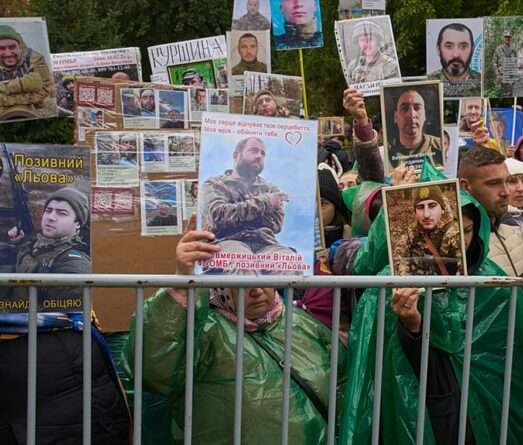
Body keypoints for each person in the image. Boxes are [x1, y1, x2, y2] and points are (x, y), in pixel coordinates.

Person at [339, 187, 523, 444]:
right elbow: (384, 363)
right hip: (431, 403)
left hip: (487, 410)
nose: (460, 239)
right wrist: (411, 324)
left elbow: (519, 353)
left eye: (467, 230)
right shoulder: (390, 282)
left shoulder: (491, 279)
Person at [124, 221, 345, 444]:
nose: (256, 290)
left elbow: (343, 384)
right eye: (242, 280)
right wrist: (183, 283)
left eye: (264, 274)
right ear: (219, 285)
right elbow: (155, 368)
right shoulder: (202, 330)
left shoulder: (302, 323)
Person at [1, 187, 130, 444]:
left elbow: (58, 302)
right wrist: (19, 244)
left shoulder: (75, 262)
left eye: (61, 213)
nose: (50, 217)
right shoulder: (36, 246)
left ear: (77, 224)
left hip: (56, 360)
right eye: (48, 210)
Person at [201, 136, 291, 260]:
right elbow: (219, 216)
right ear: (236, 155)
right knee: (241, 261)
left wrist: (237, 212)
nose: (259, 156)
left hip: (266, 244)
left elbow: (276, 225)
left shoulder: (270, 189)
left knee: (287, 260)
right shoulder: (215, 184)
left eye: (263, 153)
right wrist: (265, 202)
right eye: (253, 151)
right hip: (227, 242)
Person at [459, 147, 523, 277]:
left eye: (507, 181)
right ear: (465, 187)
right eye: (494, 183)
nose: (506, 192)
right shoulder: (459, 244)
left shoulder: (518, 230)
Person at [393, 184, 462, 275]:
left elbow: (465, 269)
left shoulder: (455, 233)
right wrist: (405, 279)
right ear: (415, 212)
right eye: (420, 207)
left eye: (432, 206)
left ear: (442, 209)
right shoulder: (412, 232)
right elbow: (398, 259)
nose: (426, 215)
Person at [0, 24, 55, 119]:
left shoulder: (35, 58)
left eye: (12, 47)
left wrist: (4, 89)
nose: (8, 53)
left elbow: (45, 88)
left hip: (32, 108)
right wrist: (24, 84)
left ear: (20, 46)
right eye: (1, 48)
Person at [386, 87, 443, 170]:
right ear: (395, 117)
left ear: (425, 115)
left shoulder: (441, 146)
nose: (412, 115)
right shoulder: (385, 153)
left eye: (417, 108)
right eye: (405, 108)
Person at [429, 23, 481, 97]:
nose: (456, 55)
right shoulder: (428, 83)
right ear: (438, 49)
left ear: (472, 49)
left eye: (463, 47)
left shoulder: (483, 83)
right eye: (449, 46)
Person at [345, 20, 400, 84]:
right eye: (362, 40)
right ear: (358, 43)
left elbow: (394, 89)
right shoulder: (352, 66)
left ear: (378, 41)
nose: (366, 44)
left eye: (370, 39)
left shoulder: (390, 65)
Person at [492, 30, 517, 95]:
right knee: (499, 94)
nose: (507, 38)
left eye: (509, 37)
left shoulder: (513, 49)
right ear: (503, 38)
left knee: (509, 94)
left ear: (510, 38)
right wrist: (497, 73)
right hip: (501, 76)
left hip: (510, 76)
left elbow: (515, 62)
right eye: (506, 37)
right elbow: (494, 62)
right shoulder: (498, 49)